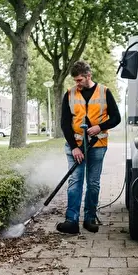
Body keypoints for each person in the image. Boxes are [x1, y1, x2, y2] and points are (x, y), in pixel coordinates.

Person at [57, 60, 121, 234]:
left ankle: (90, 218)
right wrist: (74, 147)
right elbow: (64, 123)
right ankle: (71, 220)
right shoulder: (69, 94)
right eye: (75, 81)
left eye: (79, 80)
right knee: (75, 182)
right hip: (76, 147)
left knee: (93, 183)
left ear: (88, 76)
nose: (77, 84)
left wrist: (100, 127)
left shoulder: (104, 92)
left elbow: (116, 118)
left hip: (97, 146)